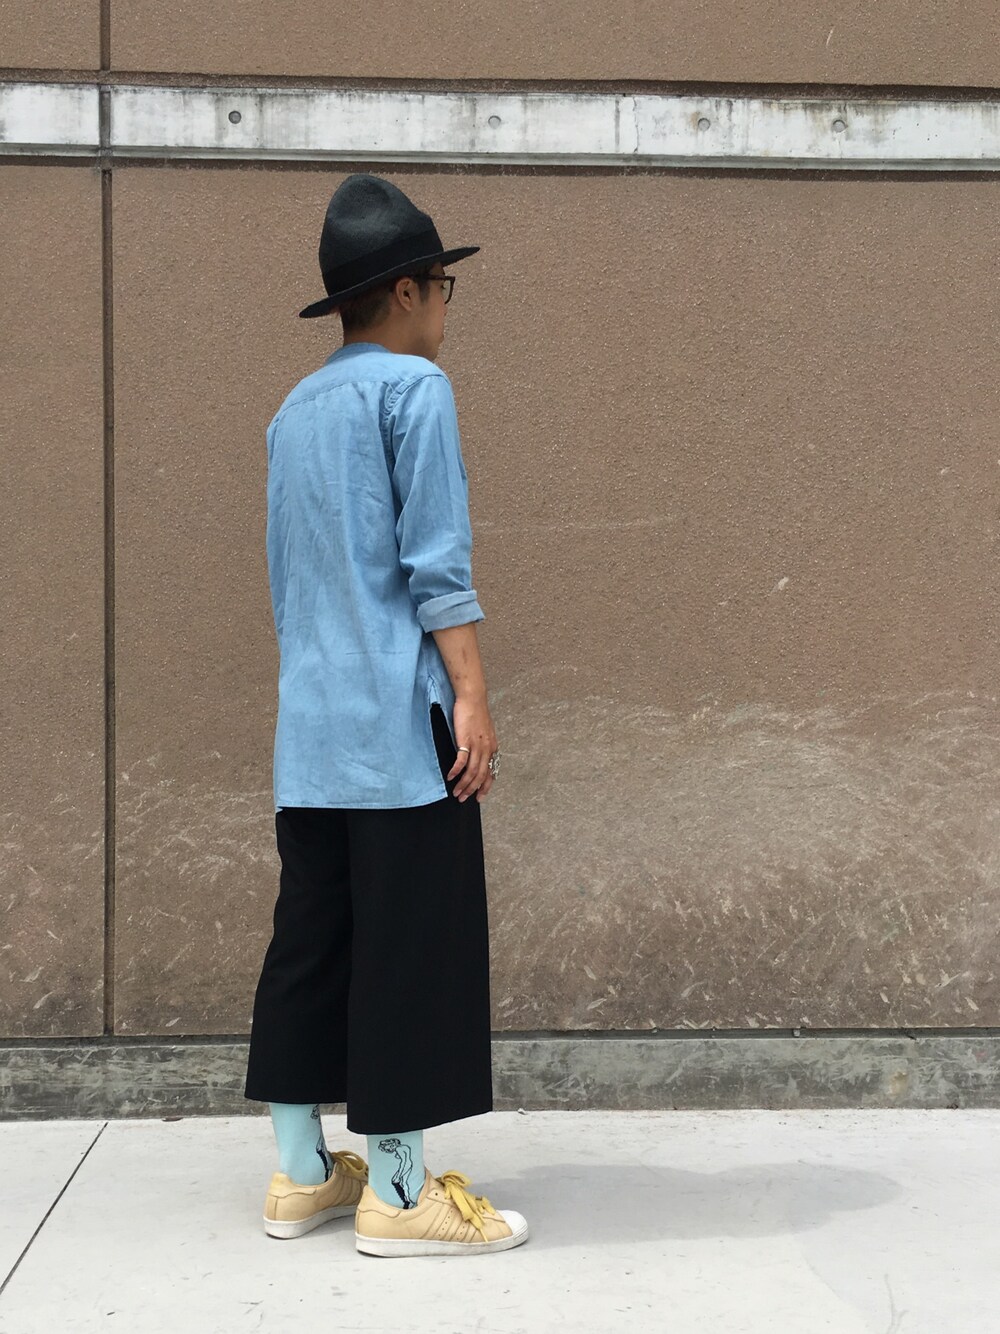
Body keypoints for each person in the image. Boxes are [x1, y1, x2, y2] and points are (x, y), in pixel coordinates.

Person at [243, 173, 529, 1258]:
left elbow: (290, 581)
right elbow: (435, 565)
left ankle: (301, 1175)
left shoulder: (293, 411)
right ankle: (400, 1195)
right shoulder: (414, 390)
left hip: (310, 733)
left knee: (311, 946)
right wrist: (473, 696)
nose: (447, 305)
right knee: (409, 952)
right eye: (444, 286)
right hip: (399, 734)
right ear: (407, 291)